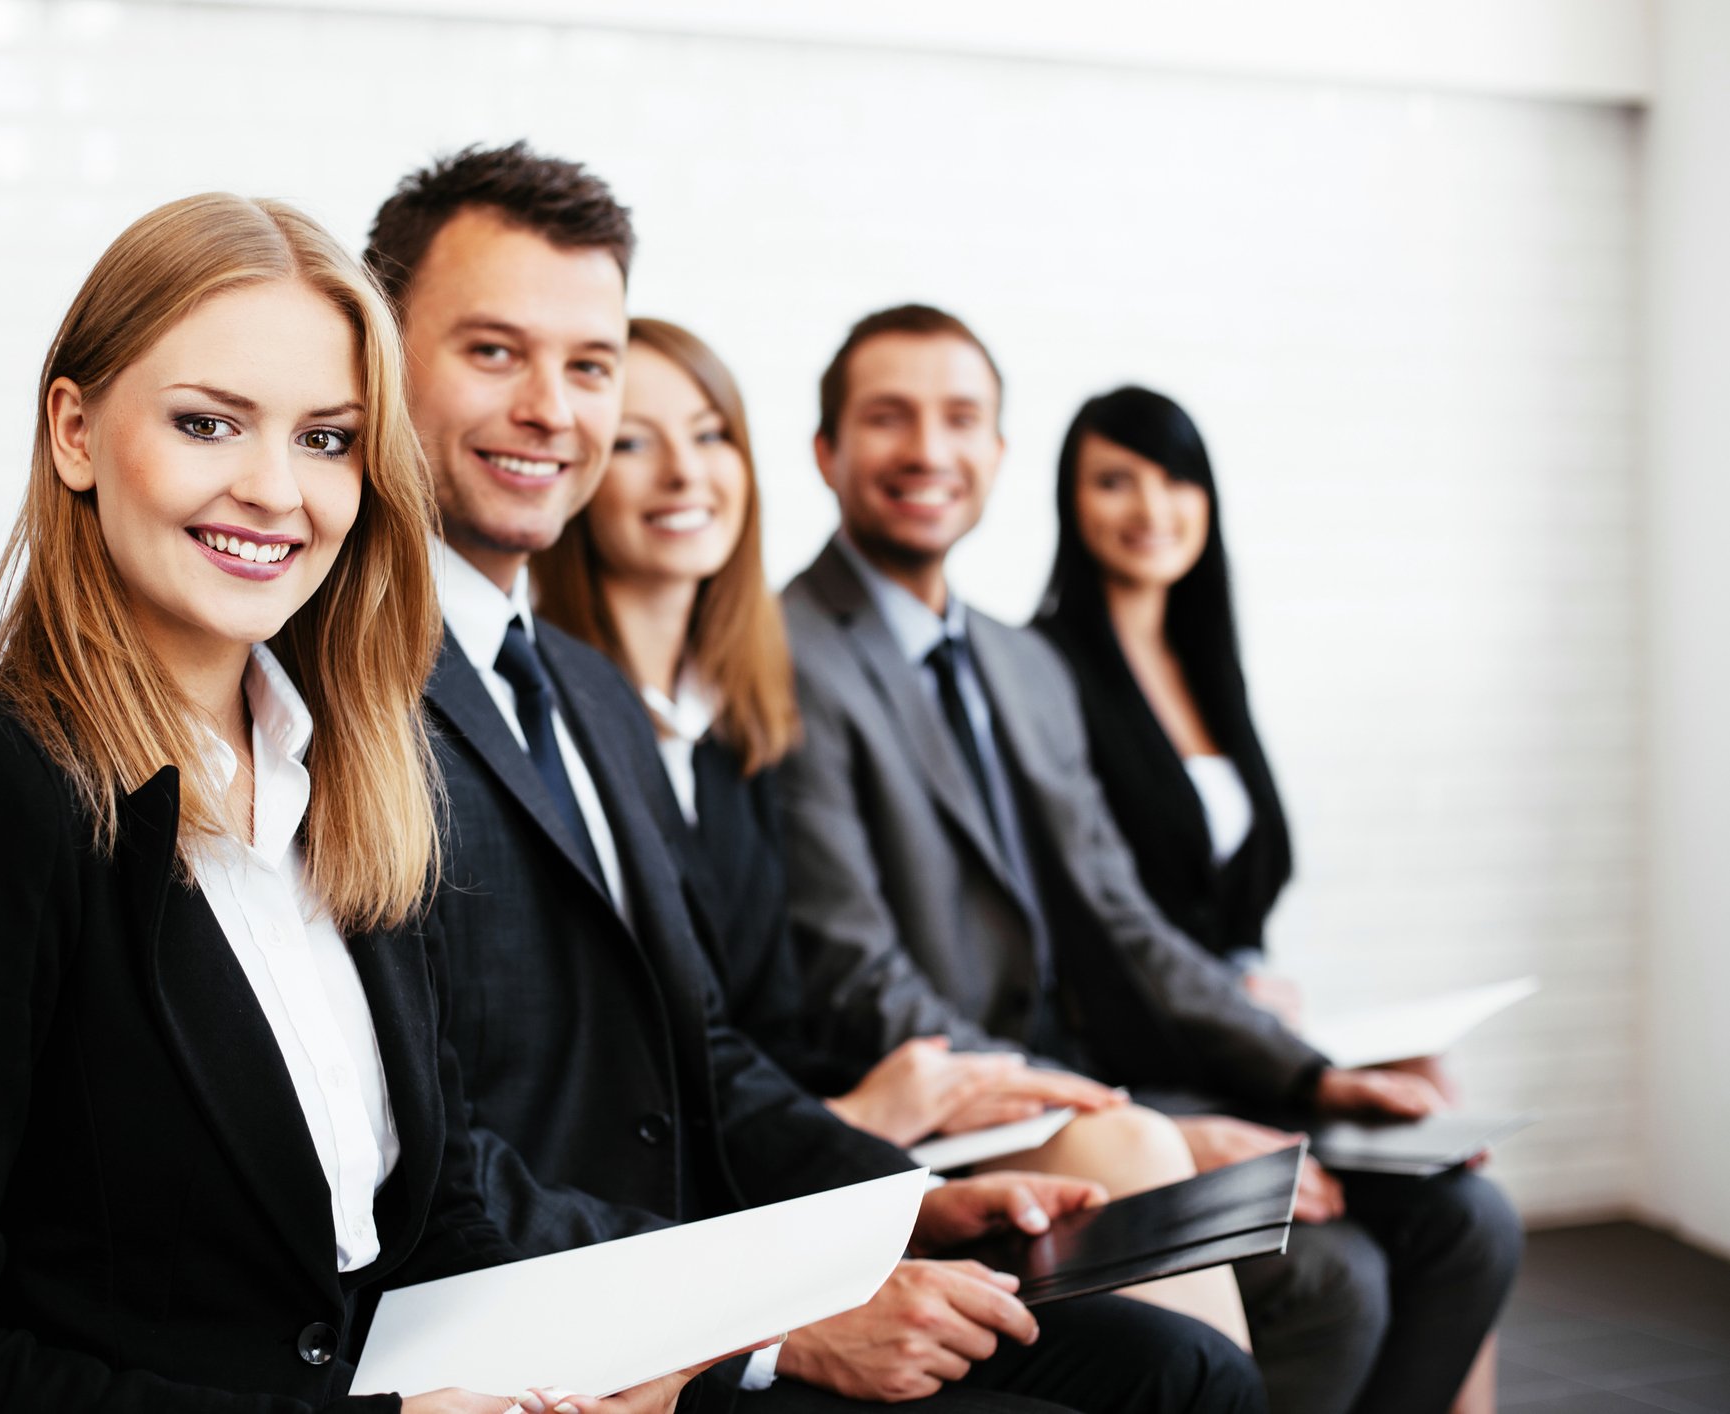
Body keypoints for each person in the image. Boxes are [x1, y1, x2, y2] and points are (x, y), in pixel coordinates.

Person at [367, 143, 1264, 1414]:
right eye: (494, 352)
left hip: (718, 1255)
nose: (554, 410)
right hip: (565, 1316)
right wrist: (774, 1311)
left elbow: (711, 1053)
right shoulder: (349, 694)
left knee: (1187, 1369)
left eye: (590, 365)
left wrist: (910, 1196)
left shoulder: (588, 692)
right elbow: (434, 1163)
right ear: (382, 357)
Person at [0, 192, 715, 1414]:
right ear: (75, 431)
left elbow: (431, 1227)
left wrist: (577, 1371)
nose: (276, 490)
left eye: (327, 439)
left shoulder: (356, 776)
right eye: (208, 423)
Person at [776, 305, 1523, 1414]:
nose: (929, 449)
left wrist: (1304, 1070)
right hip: (973, 1122)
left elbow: (1122, 916)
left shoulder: (1022, 663)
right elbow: (860, 977)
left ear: (997, 455)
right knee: (1336, 1276)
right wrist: (1148, 1125)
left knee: (1466, 1216)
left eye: (960, 419)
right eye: (890, 417)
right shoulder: (780, 649)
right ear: (828, 452)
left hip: (1093, 1087)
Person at [531, 317, 1250, 1349]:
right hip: (734, 1168)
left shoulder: (741, 714)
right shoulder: (567, 718)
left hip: (821, 1118)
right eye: (638, 440)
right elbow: (776, 1008)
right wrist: (864, 1119)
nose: (684, 472)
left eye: (710, 434)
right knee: (1153, 1241)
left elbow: (758, 1015)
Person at [1030, 384, 1507, 1408]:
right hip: (1143, 1059)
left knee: (1471, 1205)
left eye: (1175, 479)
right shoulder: (1045, 672)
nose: (1151, 507)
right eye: (1115, 481)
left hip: (1239, 1037)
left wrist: (1267, 999)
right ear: (1070, 505)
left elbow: (1228, 901)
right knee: (1358, 1270)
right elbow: (1110, 926)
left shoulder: (1208, 667)